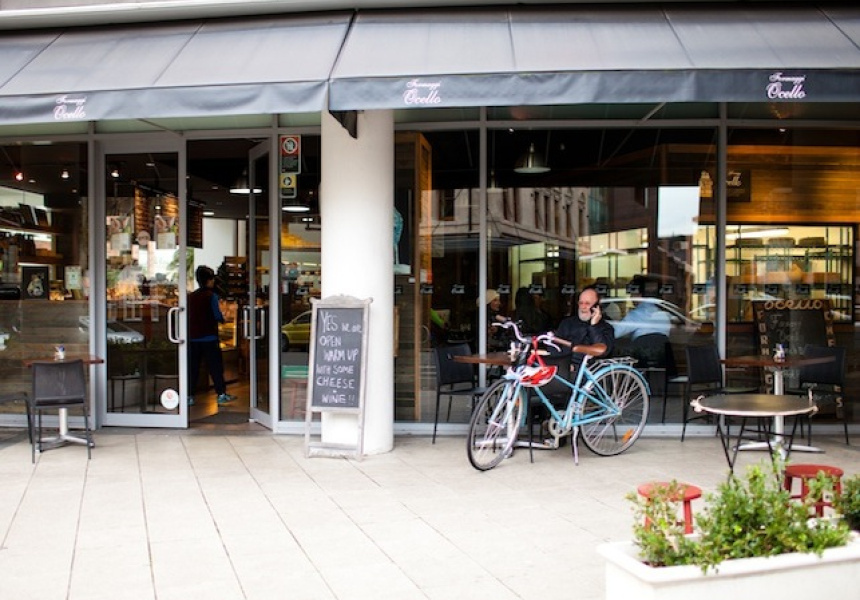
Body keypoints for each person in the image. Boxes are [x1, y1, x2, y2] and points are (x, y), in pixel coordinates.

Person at [188, 265, 236, 406]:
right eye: (212, 279)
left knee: (193, 368)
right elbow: (217, 315)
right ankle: (221, 394)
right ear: (209, 280)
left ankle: (189, 396)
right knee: (215, 367)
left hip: (193, 337)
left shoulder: (191, 297)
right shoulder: (211, 296)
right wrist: (224, 318)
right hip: (209, 337)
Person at [552, 286, 615, 374]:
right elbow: (555, 347)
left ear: (596, 306)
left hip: (589, 371)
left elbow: (603, 351)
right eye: (581, 303)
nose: (583, 307)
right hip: (564, 366)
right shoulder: (567, 323)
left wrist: (594, 326)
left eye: (587, 303)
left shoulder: (605, 327)